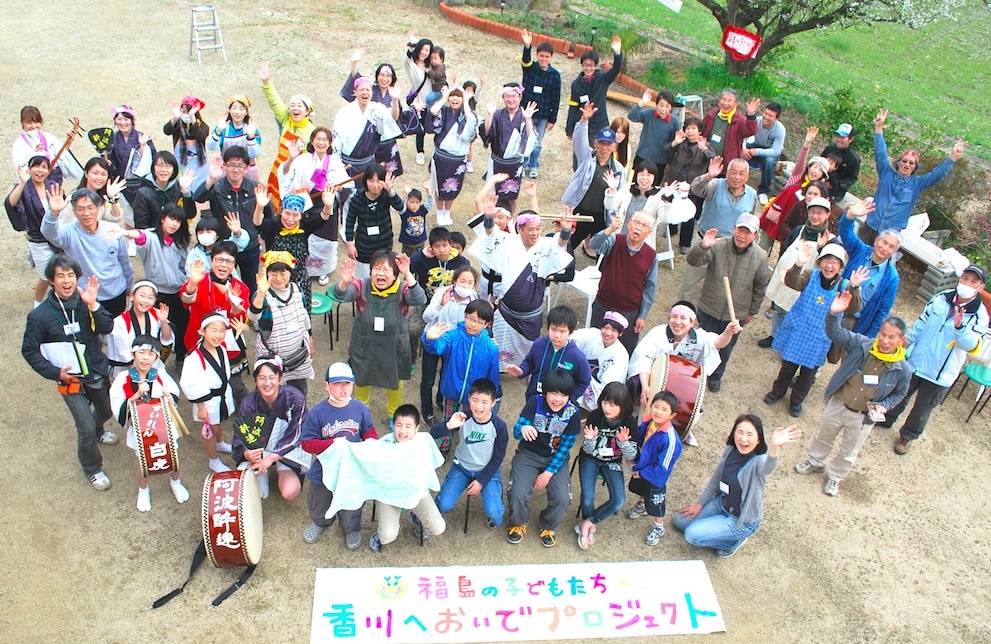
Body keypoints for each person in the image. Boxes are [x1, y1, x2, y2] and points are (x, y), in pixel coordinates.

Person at [795, 292, 911, 496]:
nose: (885, 341)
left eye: (891, 337)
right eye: (883, 334)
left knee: (849, 450)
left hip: (863, 417)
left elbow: (900, 394)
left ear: (901, 340)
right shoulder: (861, 344)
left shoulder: (903, 370)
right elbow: (835, 333)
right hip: (839, 403)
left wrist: (884, 406)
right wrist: (833, 313)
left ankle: (835, 476)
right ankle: (816, 462)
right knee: (824, 436)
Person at [21, 254, 117, 490]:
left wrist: (94, 305)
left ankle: (98, 430)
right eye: (60, 276)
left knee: (106, 410)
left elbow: (107, 327)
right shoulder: (39, 316)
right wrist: (55, 372)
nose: (66, 281)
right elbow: (29, 350)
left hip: (95, 370)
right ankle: (92, 468)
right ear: (51, 280)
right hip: (68, 379)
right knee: (85, 427)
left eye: (71, 275)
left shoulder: (85, 302)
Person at [882, 264, 989, 454]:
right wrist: (904, 345)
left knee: (922, 408)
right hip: (916, 361)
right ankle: (886, 418)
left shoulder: (979, 316)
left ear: (980, 287)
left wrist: (960, 329)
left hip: (940, 372)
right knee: (901, 392)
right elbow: (921, 323)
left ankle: (907, 437)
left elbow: (972, 346)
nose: (967, 283)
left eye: (973, 281)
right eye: (965, 278)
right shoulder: (941, 298)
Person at [674, 415, 801, 557]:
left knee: (692, 535)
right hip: (721, 503)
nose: (743, 439)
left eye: (750, 434)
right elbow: (716, 478)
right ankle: (718, 525)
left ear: (758, 439)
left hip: (740, 519)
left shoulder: (758, 462)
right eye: (740, 432)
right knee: (680, 522)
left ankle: (733, 543)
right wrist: (699, 504)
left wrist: (775, 447)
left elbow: (768, 467)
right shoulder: (730, 449)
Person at [765, 244, 866, 417]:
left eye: (834, 262)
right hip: (799, 330)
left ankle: (797, 400)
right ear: (820, 262)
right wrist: (798, 264)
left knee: (808, 374)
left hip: (820, 337)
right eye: (826, 261)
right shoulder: (810, 274)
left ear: (840, 266)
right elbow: (792, 282)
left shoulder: (844, 285)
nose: (829, 266)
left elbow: (854, 307)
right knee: (788, 366)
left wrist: (855, 287)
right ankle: (778, 390)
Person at [333, 252, 427, 421]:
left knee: (395, 383)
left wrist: (407, 273)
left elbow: (419, 298)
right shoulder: (363, 285)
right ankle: (361, 413)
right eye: (376, 268)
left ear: (395, 274)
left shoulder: (402, 288)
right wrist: (344, 282)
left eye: (386, 269)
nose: (380, 273)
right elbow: (340, 295)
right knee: (361, 379)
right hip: (365, 344)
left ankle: (393, 415)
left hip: (394, 346)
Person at [687, 214, 771, 392]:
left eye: (748, 232)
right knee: (702, 343)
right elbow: (693, 261)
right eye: (740, 230)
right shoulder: (719, 245)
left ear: (755, 235)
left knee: (725, 348)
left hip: (735, 314)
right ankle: (695, 373)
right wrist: (703, 246)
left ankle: (715, 377)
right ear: (734, 228)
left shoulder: (760, 257)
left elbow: (760, 286)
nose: (742, 235)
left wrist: (751, 311)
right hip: (710, 307)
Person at [299, 362, 378, 549]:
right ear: (326, 386)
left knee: (351, 501)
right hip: (324, 469)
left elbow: (369, 431)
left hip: (351, 469)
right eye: (337, 383)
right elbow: (306, 443)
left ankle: (351, 527)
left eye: (347, 383)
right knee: (320, 499)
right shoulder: (317, 413)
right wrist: (332, 444)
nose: (343, 388)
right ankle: (320, 521)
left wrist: (370, 442)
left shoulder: (360, 408)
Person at [860, 108, 966, 244]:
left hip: (890, 234)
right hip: (871, 225)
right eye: (904, 161)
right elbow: (880, 153)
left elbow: (936, 175)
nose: (907, 164)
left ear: (915, 167)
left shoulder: (917, 184)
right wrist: (879, 128)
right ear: (898, 163)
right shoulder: (886, 172)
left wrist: (952, 157)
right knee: (855, 253)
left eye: (911, 163)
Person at [109, 335, 188, 512]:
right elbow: (118, 404)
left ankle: (175, 482)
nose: (145, 358)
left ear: (157, 357)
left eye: (151, 354)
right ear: (133, 354)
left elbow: (173, 392)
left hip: (163, 427)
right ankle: (143, 490)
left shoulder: (159, 375)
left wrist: (170, 398)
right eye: (141, 353)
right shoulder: (123, 378)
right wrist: (136, 395)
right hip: (141, 430)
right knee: (143, 462)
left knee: (172, 456)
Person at [506, 370, 581, 548]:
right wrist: (523, 429)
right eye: (553, 393)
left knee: (563, 498)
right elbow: (517, 431)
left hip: (555, 457)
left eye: (564, 395)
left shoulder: (573, 413)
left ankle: (547, 525)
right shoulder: (535, 402)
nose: (558, 399)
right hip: (528, 454)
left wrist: (548, 473)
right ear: (545, 392)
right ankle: (519, 522)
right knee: (517, 493)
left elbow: (565, 448)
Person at [421, 300, 502, 452]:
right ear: (465, 316)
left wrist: (493, 394)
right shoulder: (453, 336)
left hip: (474, 397)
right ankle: (444, 447)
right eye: (471, 318)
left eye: (479, 322)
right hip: (451, 390)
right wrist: (429, 339)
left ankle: (466, 450)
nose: (473, 324)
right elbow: (437, 348)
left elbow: (492, 376)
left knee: (470, 423)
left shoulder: (490, 348)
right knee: (448, 420)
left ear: (486, 324)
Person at [758, 194, 837, 348]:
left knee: (797, 316)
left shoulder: (831, 240)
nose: (815, 216)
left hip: (805, 284)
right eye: (812, 212)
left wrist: (821, 248)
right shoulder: (799, 230)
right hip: (787, 278)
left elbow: (830, 268)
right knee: (780, 309)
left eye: (819, 213)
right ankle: (775, 336)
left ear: (827, 215)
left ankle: (790, 344)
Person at [41, 187, 134, 317]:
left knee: (115, 328)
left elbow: (124, 262)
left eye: (90, 208)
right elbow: (49, 233)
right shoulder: (68, 232)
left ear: (98, 208)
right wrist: (54, 213)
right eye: (80, 209)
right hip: (84, 295)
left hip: (115, 292)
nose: (86, 213)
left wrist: (128, 286)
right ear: (74, 212)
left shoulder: (113, 229)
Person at [195, 146, 274, 297]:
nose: (235, 170)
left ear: (246, 168)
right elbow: (198, 197)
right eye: (231, 165)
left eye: (240, 166)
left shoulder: (255, 188)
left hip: (250, 246)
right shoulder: (217, 187)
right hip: (224, 246)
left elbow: (269, 215)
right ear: (224, 166)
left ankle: (249, 310)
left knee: (250, 285)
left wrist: (261, 236)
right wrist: (211, 178)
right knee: (222, 285)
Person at [678, 156, 758, 303]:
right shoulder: (715, 185)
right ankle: (682, 307)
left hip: (729, 247)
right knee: (690, 281)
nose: (737, 177)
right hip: (704, 241)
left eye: (741, 173)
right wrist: (708, 176)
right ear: (727, 173)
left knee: (718, 285)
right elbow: (696, 189)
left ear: (747, 176)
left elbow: (749, 219)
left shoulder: (752, 194)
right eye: (734, 172)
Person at [280, 127, 352, 285]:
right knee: (304, 238)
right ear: (312, 141)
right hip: (307, 203)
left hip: (327, 204)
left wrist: (339, 188)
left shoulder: (335, 161)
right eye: (318, 139)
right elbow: (286, 174)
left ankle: (323, 269)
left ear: (330, 143)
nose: (321, 143)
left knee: (326, 240)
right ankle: (303, 268)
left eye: (325, 140)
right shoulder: (302, 159)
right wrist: (291, 159)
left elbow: (346, 183)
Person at [368, 405, 447, 551]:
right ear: (393, 425)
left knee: (438, 527)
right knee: (387, 536)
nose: (403, 431)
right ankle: (379, 535)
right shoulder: (383, 444)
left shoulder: (422, 442)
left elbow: (435, 456)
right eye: (399, 425)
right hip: (388, 494)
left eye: (408, 426)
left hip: (415, 492)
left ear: (416, 429)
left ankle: (416, 517)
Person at [179, 242, 251, 402]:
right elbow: (186, 301)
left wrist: (235, 306)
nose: (223, 265)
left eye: (229, 261)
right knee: (205, 379)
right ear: (211, 261)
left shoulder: (240, 287)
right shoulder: (200, 280)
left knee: (235, 383)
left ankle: (245, 407)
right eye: (219, 259)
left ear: (234, 265)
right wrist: (192, 283)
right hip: (201, 338)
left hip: (228, 342)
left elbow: (241, 320)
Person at [231, 356, 307, 502]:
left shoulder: (295, 398)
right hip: (261, 450)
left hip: (287, 450)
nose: (267, 383)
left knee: (290, 492)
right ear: (255, 380)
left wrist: (272, 458)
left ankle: (280, 466)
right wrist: (248, 454)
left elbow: (298, 433)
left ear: (280, 378)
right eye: (262, 378)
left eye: (272, 377)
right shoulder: (248, 404)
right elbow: (240, 437)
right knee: (242, 479)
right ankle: (261, 473)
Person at [409, 226, 471, 402]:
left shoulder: (461, 262)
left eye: (445, 245)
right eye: (437, 246)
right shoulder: (423, 260)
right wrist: (422, 254)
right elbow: (407, 266)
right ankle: (411, 360)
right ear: (431, 248)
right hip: (426, 303)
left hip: (450, 306)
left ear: (450, 245)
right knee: (412, 329)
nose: (442, 250)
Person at [575, 382, 638, 549]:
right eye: (605, 402)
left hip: (612, 461)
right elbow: (587, 449)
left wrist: (623, 443)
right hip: (590, 458)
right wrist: (590, 440)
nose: (607, 408)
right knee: (587, 497)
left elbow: (632, 456)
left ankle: (587, 523)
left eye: (613, 405)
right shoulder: (595, 416)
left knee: (618, 500)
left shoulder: (629, 422)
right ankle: (586, 529)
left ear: (623, 405)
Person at [128, 204, 192, 367]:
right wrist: (125, 232)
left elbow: (184, 264)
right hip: (159, 293)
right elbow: (141, 237)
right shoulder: (152, 237)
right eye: (171, 218)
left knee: (183, 326)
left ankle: (180, 357)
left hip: (179, 291)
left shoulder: (181, 241)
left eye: (178, 221)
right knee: (158, 329)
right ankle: (154, 363)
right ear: (163, 218)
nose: (174, 224)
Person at [180, 311, 243, 473]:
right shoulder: (195, 358)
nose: (218, 335)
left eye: (222, 330)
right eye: (213, 330)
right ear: (202, 331)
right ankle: (213, 460)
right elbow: (192, 384)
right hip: (208, 400)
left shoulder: (220, 348)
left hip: (222, 394)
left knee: (219, 422)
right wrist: (201, 408)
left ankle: (220, 443)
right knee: (211, 430)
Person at [589, 208, 658, 353]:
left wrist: (642, 315)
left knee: (624, 351)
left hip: (629, 311)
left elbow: (650, 287)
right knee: (595, 344)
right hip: (603, 304)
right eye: (636, 222)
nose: (638, 228)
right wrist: (610, 230)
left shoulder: (651, 256)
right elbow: (594, 245)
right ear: (629, 224)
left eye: (644, 226)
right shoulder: (615, 241)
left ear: (649, 232)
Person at [255, 190, 337, 311]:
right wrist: (260, 207)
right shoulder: (273, 226)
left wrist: (328, 206)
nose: (290, 219)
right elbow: (258, 223)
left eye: (295, 215)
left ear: (301, 215)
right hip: (276, 280)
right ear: (281, 211)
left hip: (300, 280)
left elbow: (322, 219)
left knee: (302, 312)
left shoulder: (304, 227)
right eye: (287, 213)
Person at [247, 251, 314, 396]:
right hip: (272, 356)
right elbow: (253, 316)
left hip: (297, 355)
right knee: (271, 393)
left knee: (299, 391)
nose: (278, 278)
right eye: (273, 273)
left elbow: (304, 315)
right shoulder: (263, 295)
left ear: (290, 272)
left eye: (283, 273)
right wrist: (261, 293)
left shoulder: (297, 289)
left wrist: (310, 337)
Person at [562, 102, 624, 258]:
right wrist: (584, 120)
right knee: (568, 244)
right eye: (601, 143)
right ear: (595, 143)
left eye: (608, 144)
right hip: (581, 211)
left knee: (603, 250)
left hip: (602, 216)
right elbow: (578, 140)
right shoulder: (586, 157)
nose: (604, 148)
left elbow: (620, 197)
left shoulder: (618, 169)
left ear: (614, 147)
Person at [6, 155, 65, 305]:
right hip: (39, 241)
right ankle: (37, 304)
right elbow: (11, 203)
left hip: (57, 237)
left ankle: (62, 301)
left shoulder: (52, 186)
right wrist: (22, 182)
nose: (40, 170)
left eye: (44, 167)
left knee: (63, 271)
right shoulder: (24, 188)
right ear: (29, 169)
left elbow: (64, 208)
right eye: (36, 166)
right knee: (45, 276)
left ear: (49, 170)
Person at [258, 61, 316, 212]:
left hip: (297, 175)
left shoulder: (313, 131)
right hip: (279, 168)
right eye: (292, 105)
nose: (295, 108)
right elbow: (275, 102)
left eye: (299, 106)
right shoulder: (286, 119)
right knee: (274, 204)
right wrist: (266, 82)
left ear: (307, 111)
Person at [626, 390, 682, 546]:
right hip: (643, 465)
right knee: (640, 489)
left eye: (664, 409)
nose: (658, 412)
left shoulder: (670, 439)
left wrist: (642, 472)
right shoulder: (648, 421)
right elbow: (640, 439)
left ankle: (659, 526)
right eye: (656, 407)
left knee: (657, 502)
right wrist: (634, 458)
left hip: (656, 476)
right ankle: (642, 504)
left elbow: (663, 467)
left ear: (672, 415)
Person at [838, 199, 901, 337]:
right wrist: (850, 215)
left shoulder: (892, 277)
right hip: (834, 308)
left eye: (891, 247)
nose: (885, 248)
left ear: (894, 252)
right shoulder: (860, 250)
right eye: (884, 242)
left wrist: (868, 338)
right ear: (876, 241)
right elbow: (845, 232)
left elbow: (882, 311)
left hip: (853, 323)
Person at [505, 305, 592, 403]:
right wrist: (521, 371)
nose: (556, 335)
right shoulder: (539, 344)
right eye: (553, 329)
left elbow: (584, 381)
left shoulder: (577, 357)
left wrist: (569, 398)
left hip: (558, 404)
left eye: (562, 331)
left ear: (570, 332)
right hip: (534, 397)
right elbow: (529, 362)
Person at [756, 126, 820, 251]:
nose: (815, 171)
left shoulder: (816, 191)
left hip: (792, 222)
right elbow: (801, 161)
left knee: (786, 251)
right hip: (777, 213)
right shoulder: (797, 176)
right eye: (814, 167)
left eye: (820, 170)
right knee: (762, 246)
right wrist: (807, 144)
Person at [341, 50, 405, 175]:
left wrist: (395, 99)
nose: (385, 79)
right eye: (382, 75)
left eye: (388, 76)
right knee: (371, 175)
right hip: (369, 139)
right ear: (377, 76)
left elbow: (395, 118)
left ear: (392, 78)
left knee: (388, 175)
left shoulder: (393, 94)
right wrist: (353, 62)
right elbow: (357, 80)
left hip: (387, 141)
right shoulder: (370, 90)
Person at [332, 76, 402, 186]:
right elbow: (336, 140)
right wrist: (337, 165)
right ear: (355, 92)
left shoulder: (377, 109)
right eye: (361, 89)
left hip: (368, 164)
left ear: (372, 93)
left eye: (368, 90)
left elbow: (393, 118)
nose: (365, 92)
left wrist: (394, 100)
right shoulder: (344, 112)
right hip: (347, 164)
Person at [481, 84, 538, 214]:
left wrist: (528, 119)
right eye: (507, 96)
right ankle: (491, 218)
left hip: (514, 163)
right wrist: (489, 115)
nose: (511, 99)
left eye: (514, 96)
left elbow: (531, 139)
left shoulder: (524, 116)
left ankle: (509, 219)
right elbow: (486, 132)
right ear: (503, 97)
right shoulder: (497, 114)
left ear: (520, 97)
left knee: (511, 195)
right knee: (491, 193)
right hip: (496, 161)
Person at [428, 85, 478, 225]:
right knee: (439, 186)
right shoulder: (444, 111)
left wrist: (467, 102)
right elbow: (433, 111)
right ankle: (439, 211)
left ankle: (447, 211)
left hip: (458, 159)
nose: (455, 99)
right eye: (452, 96)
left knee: (453, 186)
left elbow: (471, 120)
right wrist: (444, 97)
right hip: (441, 156)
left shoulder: (468, 113)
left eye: (458, 96)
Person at [343, 164, 403, 279]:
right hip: (364, 246)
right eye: (371, 180)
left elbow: (400, 207)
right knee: (364, 278)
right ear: (365, 180)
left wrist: (391, 191)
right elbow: (350, 221)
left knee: (382, 273)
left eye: (379, 181)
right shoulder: (357, 199)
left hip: (384, 243)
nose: (375, 185)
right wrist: (350, 243)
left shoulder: (386, 194)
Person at [564, 37, 623, 150]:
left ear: (595, 66)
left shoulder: (603, 79)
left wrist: (617, 53)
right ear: (582, 65)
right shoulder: (576, 84)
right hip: (582, 123)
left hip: (599, 124)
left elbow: (616, 69)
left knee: (598, 152)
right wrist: (569, 128)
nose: (588, 68)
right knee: (579, 152)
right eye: (585, 65)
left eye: (591, 65)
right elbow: (573, 107)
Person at [107, 280, 174, 378]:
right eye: (142, 295)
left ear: (155, 300)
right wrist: (139, 376)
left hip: (152, 365)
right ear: (132, 296)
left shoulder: (156, 314)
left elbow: (167, 339)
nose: (145, 301)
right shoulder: (120, 322)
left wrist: (163, 321)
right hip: (129, 368)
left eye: (150, 297)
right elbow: (123, 353)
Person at [520, 30, 561, 179]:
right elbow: (525, 60)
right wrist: (527, 46)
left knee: (537, 143)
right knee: (525, 139)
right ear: (537, 55)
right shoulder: (530, 68)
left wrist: (552, 118)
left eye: (547, 56)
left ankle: (533, 165)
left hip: (543, 114)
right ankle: (523, 164)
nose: (544, 59)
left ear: (551, 57)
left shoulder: (555, 75)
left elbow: (556, 97)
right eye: (541, 56)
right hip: (527, 112)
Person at [570, 312, 630, 413]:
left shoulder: (621, 355)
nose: (608, 333)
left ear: (620, 333)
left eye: (613, 330)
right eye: (606, 328)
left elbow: (608, 385)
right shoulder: (592, 334)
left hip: (596, 388)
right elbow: (572, 338)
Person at [11, 105, 82, 181]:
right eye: (29, 123)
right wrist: (37, 155)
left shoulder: (49, 137)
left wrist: (68, 142)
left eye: (36, 122)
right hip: (35, 181)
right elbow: (20, 169)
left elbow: (61, 155)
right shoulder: (19, 144)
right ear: (22, 123)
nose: (33, 126)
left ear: (41, 122)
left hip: (55, 177)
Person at [131, 151, 196, 230]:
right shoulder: (144, 193)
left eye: (168, 166)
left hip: (175, 233)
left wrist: (185, 191)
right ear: (153, 168)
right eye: (159, 165)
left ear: (173, 170)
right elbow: (141, 225)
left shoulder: (179, 187)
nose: (163, 169)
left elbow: (190, 214)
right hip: (153, 235)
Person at [107, 104, 156, 206]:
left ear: (132, 120)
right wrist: (107, 163)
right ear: (115, 121)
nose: (123, 123)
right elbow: (109, 162)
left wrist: (142, 146)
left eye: (126, 119)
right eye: (119, 119)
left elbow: (153, 160)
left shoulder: (143, 137)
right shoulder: (111, 139)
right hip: (121, 186)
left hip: (141, 185)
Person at [207, 95, 263, 181]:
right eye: (234, 108)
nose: (237, 112)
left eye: (241, 109)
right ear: (229, 110)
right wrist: (218, 131)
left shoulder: (251, 128)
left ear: (246, 112)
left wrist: (251, 137)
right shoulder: (223, 127)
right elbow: (211, 147)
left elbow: (255, 154)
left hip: (247, 169)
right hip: (227, 168)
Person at [628, 90, 679, 179]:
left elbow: (673, 144)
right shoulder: (649, 114)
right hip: (642, 157)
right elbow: (632, 116)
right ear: (656, 104)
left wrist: (669, 162)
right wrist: (642, 102)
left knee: (654, 185)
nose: (663, 109)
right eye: (661, 105)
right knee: (636, 182)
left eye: (667, 106)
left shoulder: (674, 122)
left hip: (660, 161)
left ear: (671, 107)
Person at [163, 96, 210, 191]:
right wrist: (175, 118)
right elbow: (167, 131)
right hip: (181, 164)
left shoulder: (202, 125)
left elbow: (201, 136)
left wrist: (192, 118)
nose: (186, 115)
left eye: (189, 112)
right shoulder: (178, 124)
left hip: (200, 165)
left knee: (200, 190)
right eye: (184, 112)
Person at [701, 90, 760, 164]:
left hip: (727, 162)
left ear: (735, 104)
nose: (726, 103)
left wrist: (751, 114)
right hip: (706, 159)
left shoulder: (739, 120)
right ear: (720, 101)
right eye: (724, 99)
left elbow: (751, 131)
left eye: (729, 101)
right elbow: (701, 130)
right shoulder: (712, 115)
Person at [742, 103, 786, 203]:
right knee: (739, 150)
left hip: (769, 151)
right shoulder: (756, 121)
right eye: (765, 113)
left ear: (776, 118)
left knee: (769, 161)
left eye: (770, 116)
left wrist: (756, 152)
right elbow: (743, 137)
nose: (766, 117)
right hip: (755, 145)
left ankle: (763, 191)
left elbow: (775, 151)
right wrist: (744, 149)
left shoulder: (780, 129)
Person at [404, 32, 435, 165]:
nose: (424, 52)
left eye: (427, 50)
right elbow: (407, 57)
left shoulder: (431, 65)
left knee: (437, 127)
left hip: (434, 103)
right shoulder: (411, 65)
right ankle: (420, 152)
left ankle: (437, 150)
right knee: (420, 130)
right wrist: (412, 43)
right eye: (422, 49)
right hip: (421, 103)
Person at [69, 157, 126, 226]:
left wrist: (112, 199)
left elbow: (115, 218)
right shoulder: (74, 197)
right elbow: (67, 224)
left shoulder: (104, 196)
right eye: (95, 173)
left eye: (103, 174)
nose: (99, 178)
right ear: (86, 174)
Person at [821, 122, 860, 212]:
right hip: (820, 182)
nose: (839, 139)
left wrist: (834, 184)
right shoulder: (829, 149)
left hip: (836, 191)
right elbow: (819, 163)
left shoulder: (853, 159)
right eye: (837, 136)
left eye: (842, 137)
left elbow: (852, 179)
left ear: (850, 139)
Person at [398, 181, 434, 255]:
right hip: (407, 243)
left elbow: (430, 203)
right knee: (407, 260)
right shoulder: (404, 212)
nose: (414, 205)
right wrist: (405, 193)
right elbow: (400, 205)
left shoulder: (422, 210)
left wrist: (428, 190)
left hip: (420, 242)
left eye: (417, 202)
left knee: (420, 259)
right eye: (411, 202)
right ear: (406, 202)